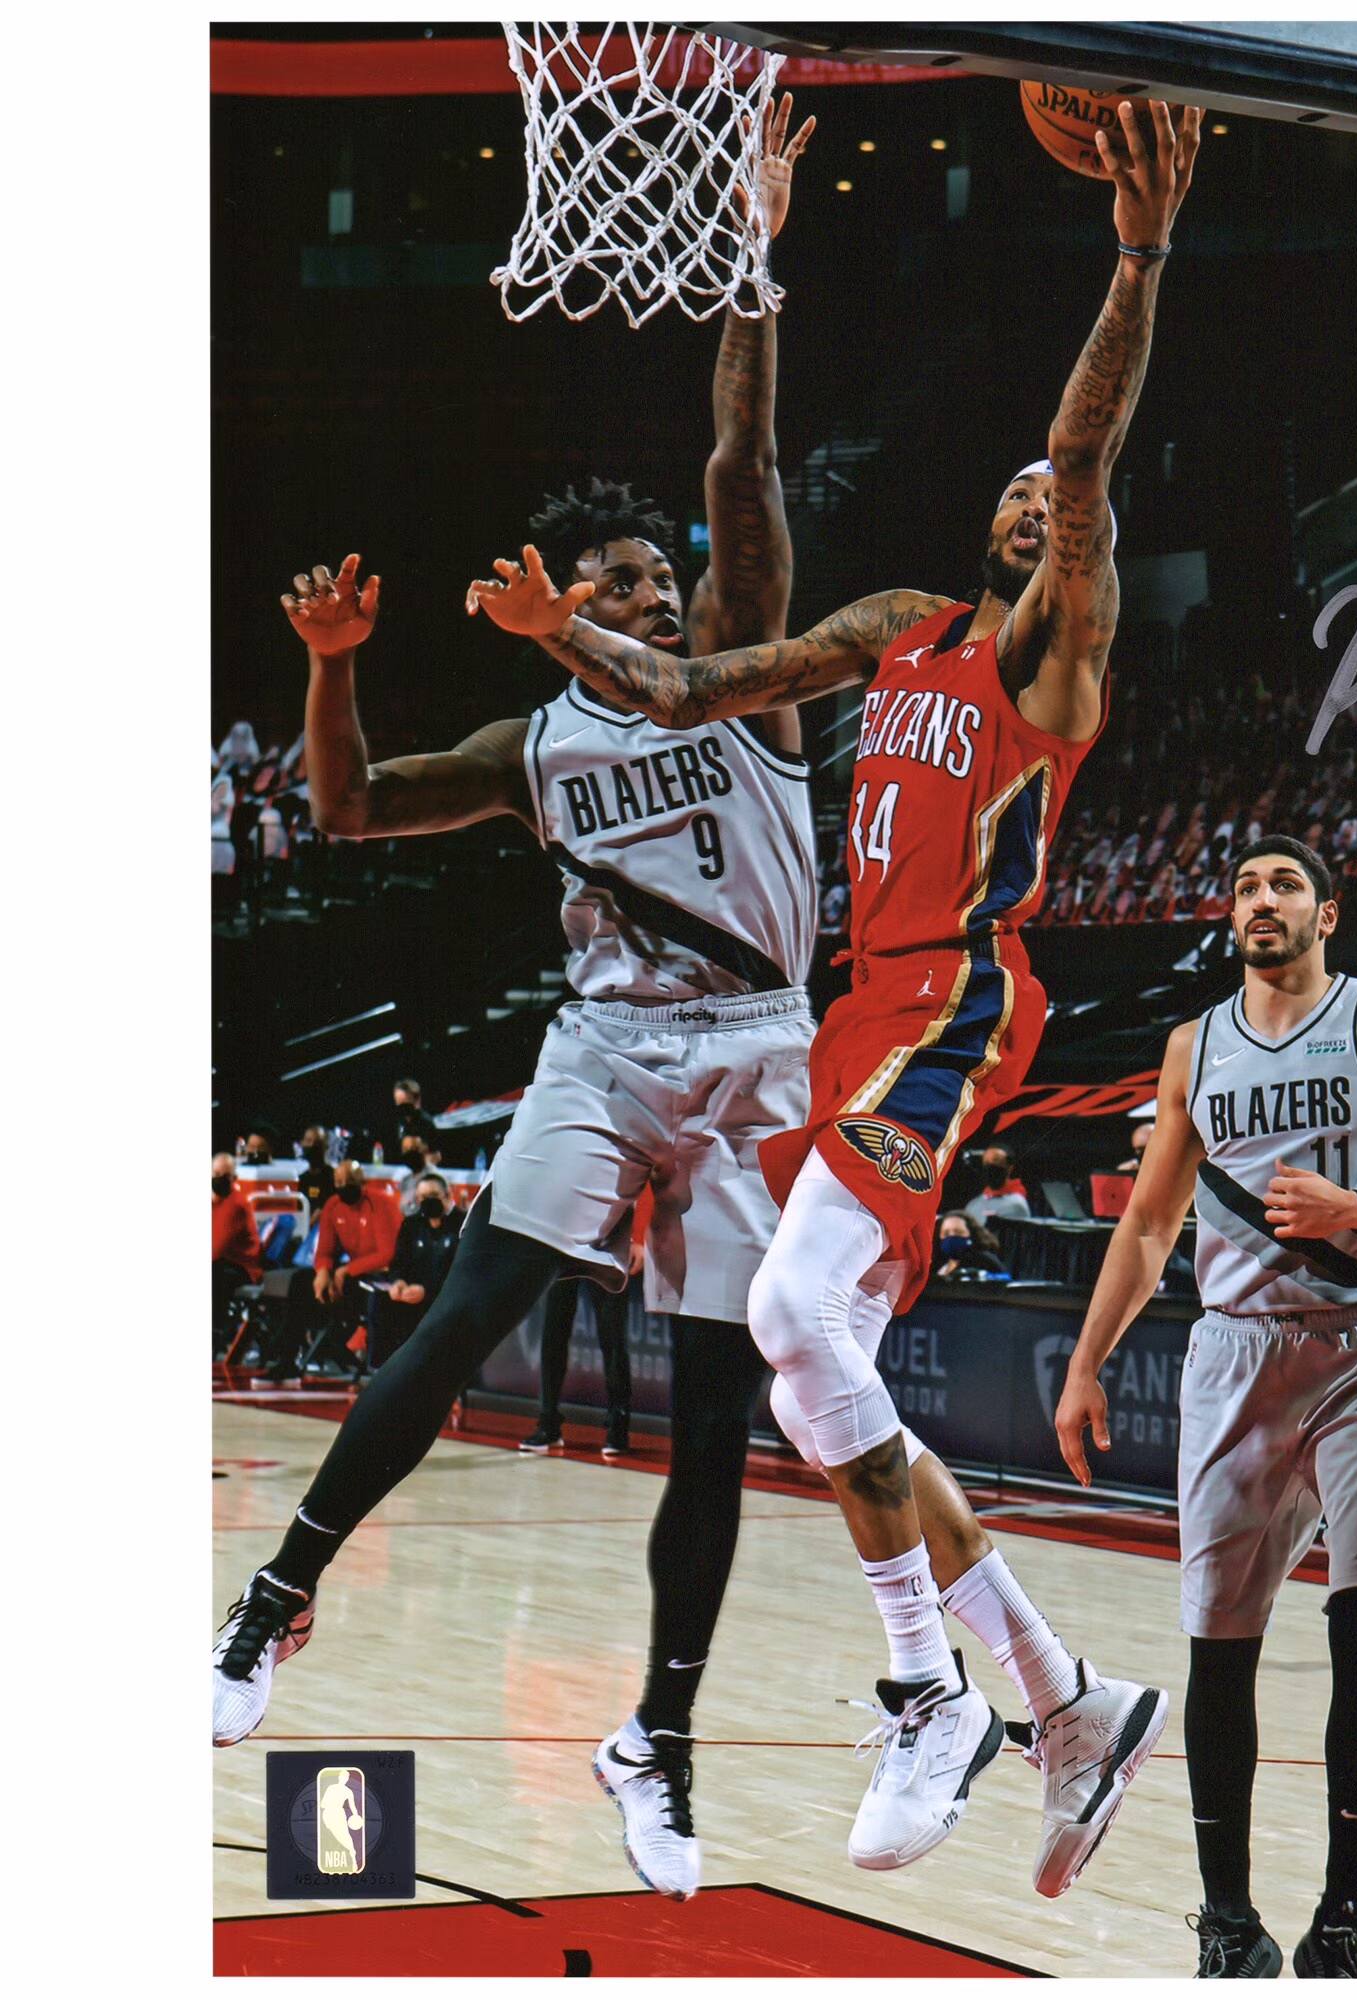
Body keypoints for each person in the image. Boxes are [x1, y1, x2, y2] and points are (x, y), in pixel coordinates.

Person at [469, 98, 1201, 1898]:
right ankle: (1067, 1696)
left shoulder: (1051, 658)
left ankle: (929, 1694)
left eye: (1059, 503)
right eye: (1014, 493)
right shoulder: (897, 629)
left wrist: (1136, 252)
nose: (1037, 502)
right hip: (855, 1013)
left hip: (957, 1003)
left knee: (791, 1315)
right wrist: (563, 634)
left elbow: (1086, 447)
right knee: (820, 1382)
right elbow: (691, 684)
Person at [213, 102, 829, 1909]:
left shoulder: (747, 679)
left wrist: (752, 256)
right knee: (466, 1314)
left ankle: (663, 1733)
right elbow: (347, 807)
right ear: (563, 598)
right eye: (619, 580)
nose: (654, 592)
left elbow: (741, 466)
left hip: (755, 1054)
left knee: (714, 1416)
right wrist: (333, 672)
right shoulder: (535, 740)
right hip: (609, 1047)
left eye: (658, 578)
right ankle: (272, 1597)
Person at [1054, 835, 1357, 1979]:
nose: (1261, 899)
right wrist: (1084, 1361)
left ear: (1326, 913)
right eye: (1246, 885)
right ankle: (1226, 1919)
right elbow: (1148, 1221)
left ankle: (1344, 1917)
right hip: (1233, 1355)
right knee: (1218, 1643)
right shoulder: (1192, 1045)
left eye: (1284, 885)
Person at [522, 1186, 646, 1457]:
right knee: (554, 1330)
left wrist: (638, 1237)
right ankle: (548, 1422)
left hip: (610, 1237)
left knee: (612, 1335)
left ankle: (618, 1427)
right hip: (566, 1236)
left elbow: (645, 1176)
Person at [280, 1160, 403, 1379]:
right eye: (339, 1182)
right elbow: (324, 1251)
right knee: (300, 1281)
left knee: (351, 1289)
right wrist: (323, 1272)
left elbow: (388, 1254)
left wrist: (345, 1271)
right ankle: (286, 1360)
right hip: (352, 1273)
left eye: (350, 1181)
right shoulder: (333, 1205)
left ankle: (342, 1347)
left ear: (362, 1181)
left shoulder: (381, 1203)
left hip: (385, 1273)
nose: (344, 1186)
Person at [370, 1172, 465, 1368]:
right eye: (422, 1197)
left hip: (446, 1297)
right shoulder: (411, 1224)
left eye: (434, 1195)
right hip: (411, 1295)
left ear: (448, 1195)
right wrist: (398, 1282)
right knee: (379, 1302)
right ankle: (382, 1370)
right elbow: (398, 1263)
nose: (428, 1201)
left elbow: (463, 1273)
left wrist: (427, 1292)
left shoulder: (463, 1224)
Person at [213, 1154, 264, 1339]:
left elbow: (216, 1248)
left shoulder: (237, 1204)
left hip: (242, 1268)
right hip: (223, 1263)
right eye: (216, 1174)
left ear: (234, 1178)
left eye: (225, 1175)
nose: (219, 1178)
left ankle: (217, 1331)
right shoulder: (213, 1203)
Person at [930, 1211, 1009, 1284]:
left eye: (958, 1232)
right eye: (946, 1233)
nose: (951, 1236)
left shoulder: (986, 1261)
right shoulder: (936, 1263)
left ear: (972, 1233)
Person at [964, 1144, 1032, 1226]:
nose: (990, 1168)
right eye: (986, 1163)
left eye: (996, 1162)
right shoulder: (973, 1205)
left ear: (1009, 1168)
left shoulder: (1017, 1204)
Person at [295, 1127, 336, 1214]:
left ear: (324, 1146)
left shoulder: (333, 1178)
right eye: (307, 1141)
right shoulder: (301, 1179)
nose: (312, 1145)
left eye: (317, 1143)